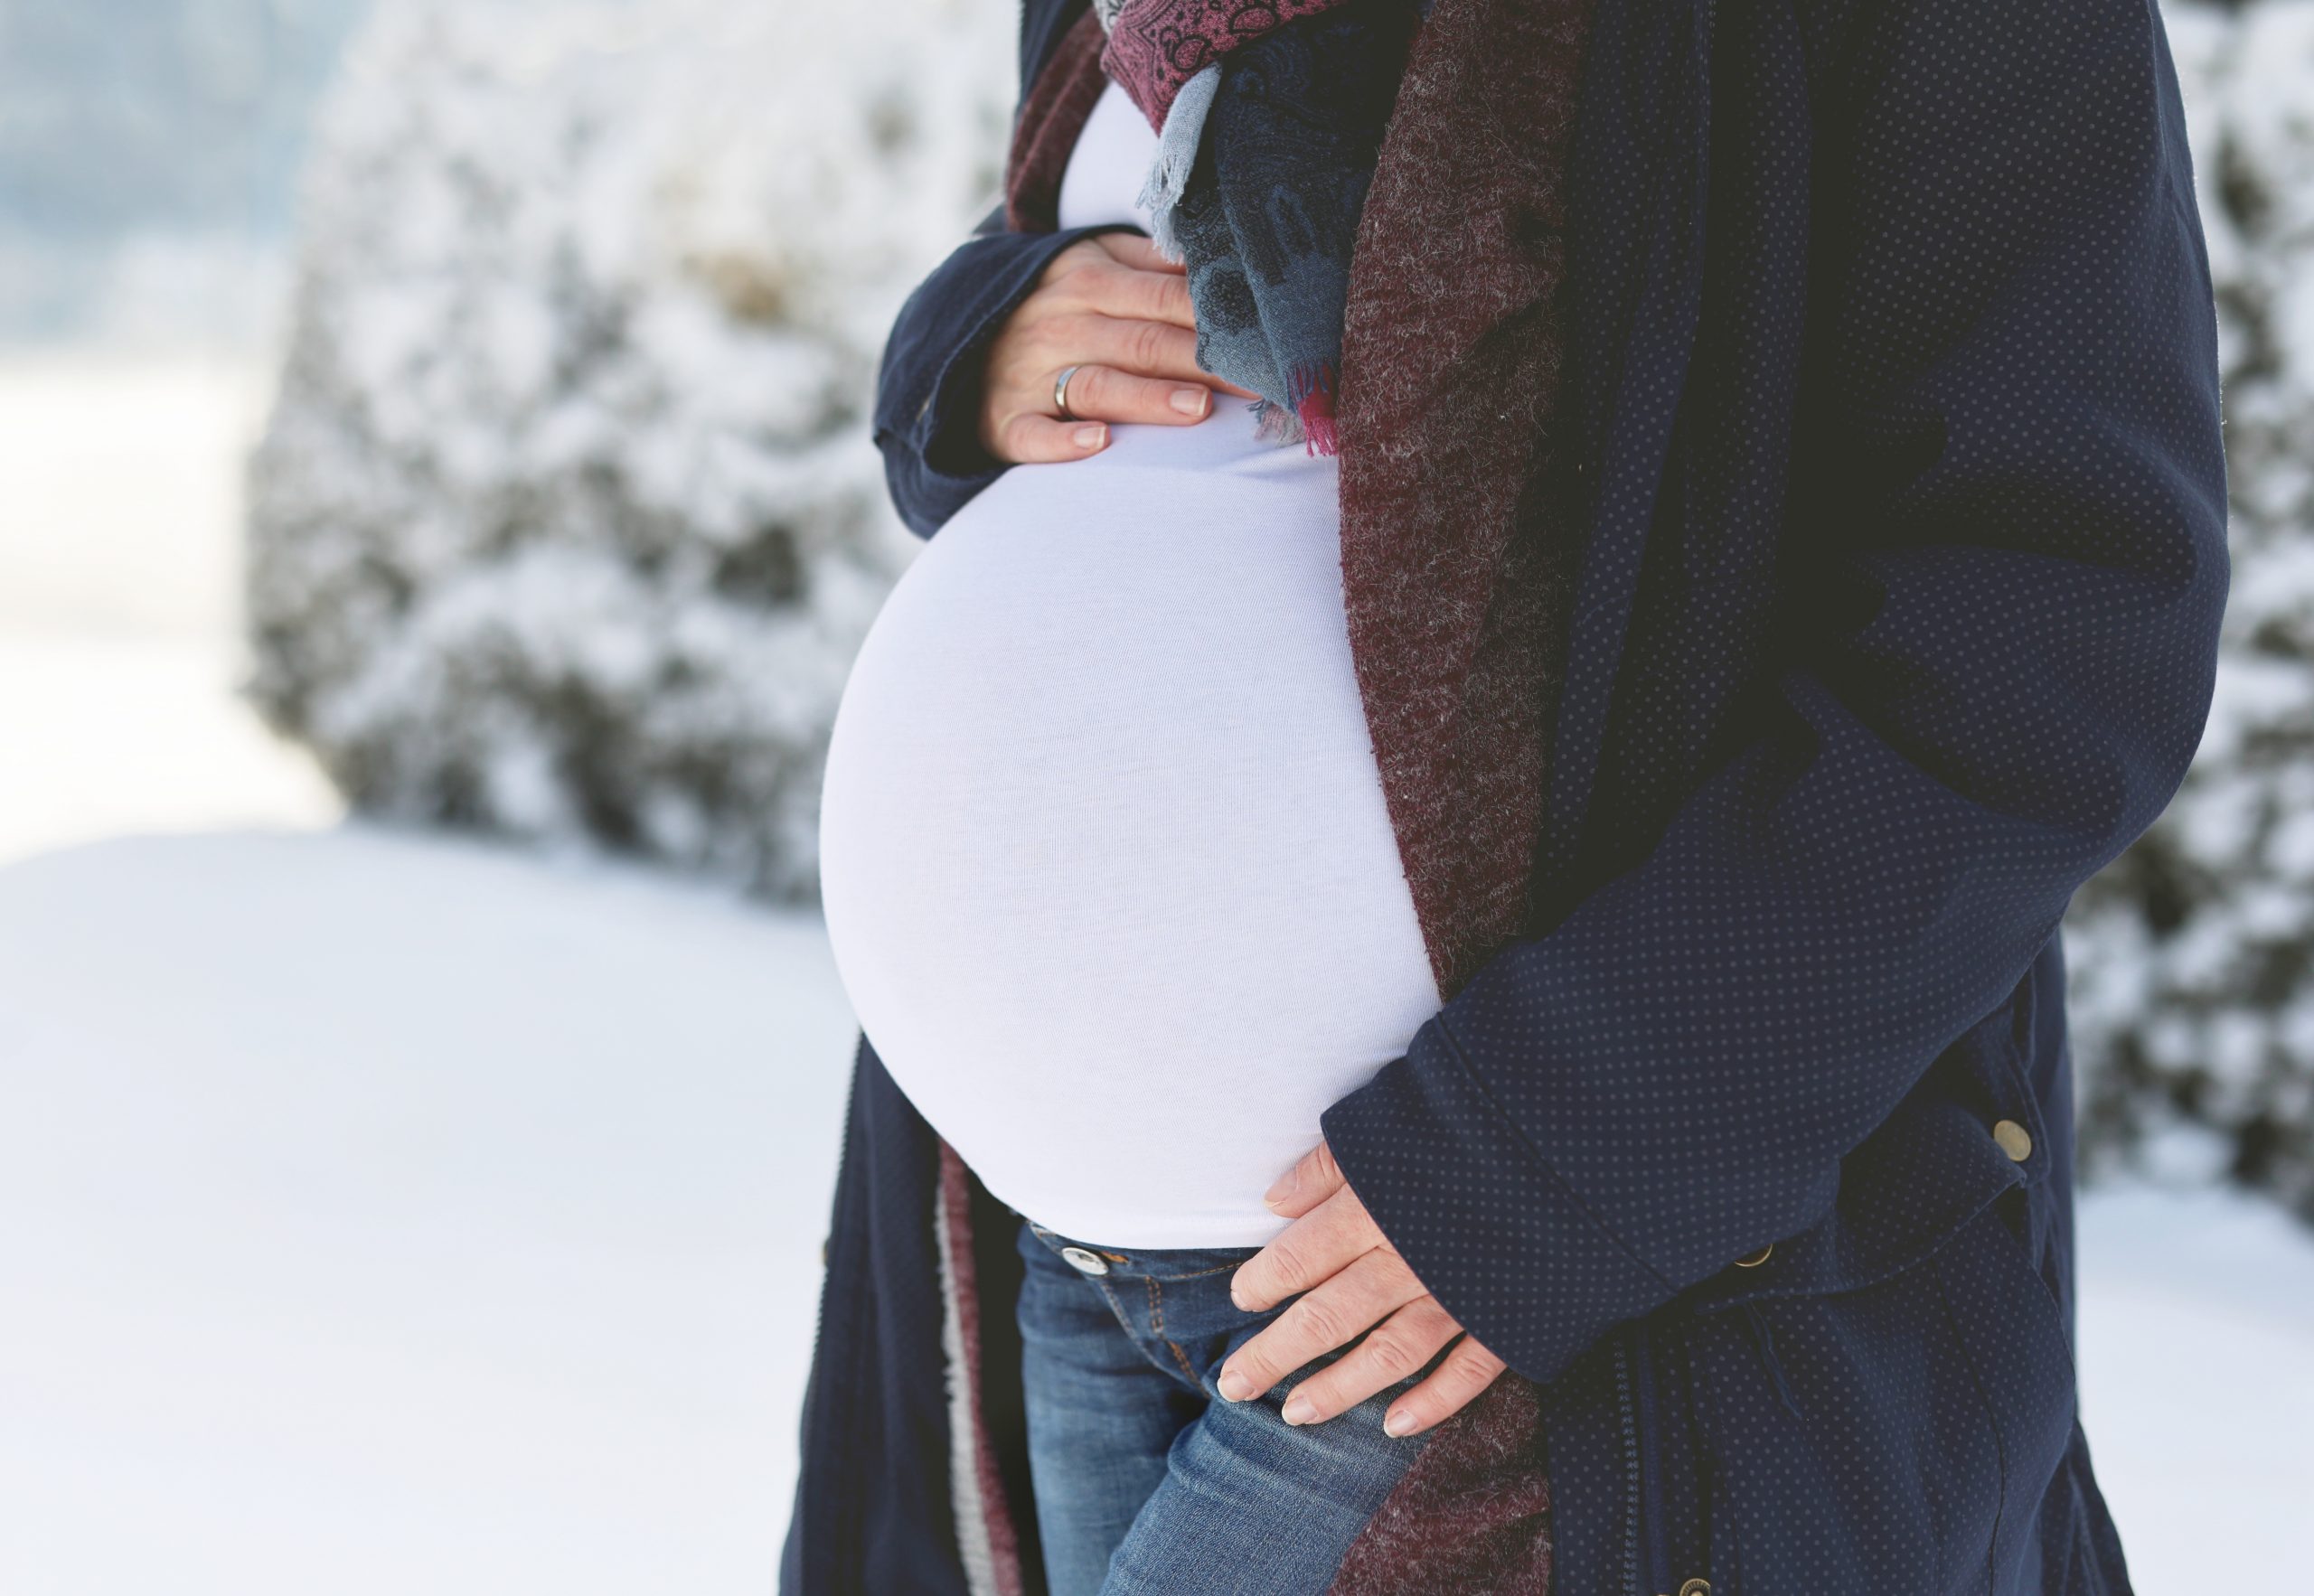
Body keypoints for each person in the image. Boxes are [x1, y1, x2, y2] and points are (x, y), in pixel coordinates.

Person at [784, 0, 2228, 1591]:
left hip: (1508, 1271)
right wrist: (976, 343)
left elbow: (2053, 617)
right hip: (1056, 1253)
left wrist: (1551, 1159)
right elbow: (1142, 345)